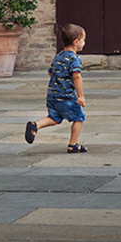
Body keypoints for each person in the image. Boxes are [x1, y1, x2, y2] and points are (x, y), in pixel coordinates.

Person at [25, 23, 88, 153]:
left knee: (54, 118)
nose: (84, 43)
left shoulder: (58, 56)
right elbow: (76, 77)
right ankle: (73, 145)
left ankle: (35, 125)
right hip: (66, 97)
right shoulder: (75, 59)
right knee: (78, 118)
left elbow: (50, 72)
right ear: (76, 42)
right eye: (83, 40)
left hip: (53, 96)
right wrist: (81, 96)